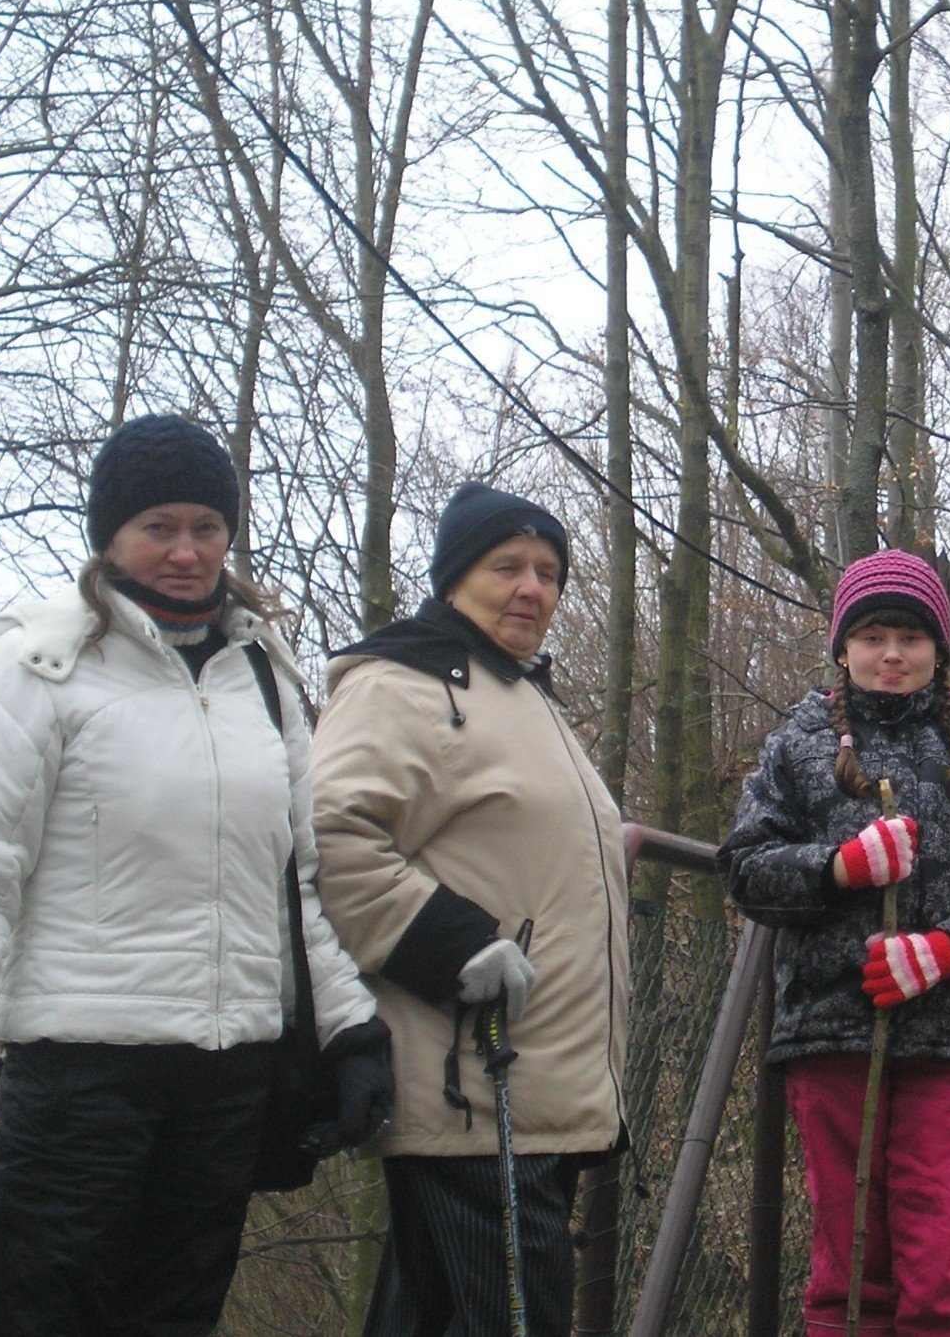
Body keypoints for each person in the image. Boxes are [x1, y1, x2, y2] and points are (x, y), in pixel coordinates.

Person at [0, 413, 391, 1337]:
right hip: (80, 1075)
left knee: (177, 1320)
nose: (185, 551)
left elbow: (296, 888)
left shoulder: (263, 680)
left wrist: (352, 1031)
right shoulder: (39, 667)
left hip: (224, 1080)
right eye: (158, 527)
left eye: (206, 526)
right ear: (111, 537)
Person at [718, 548, 950, 1336]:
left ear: (939, 649)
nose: (892, 654)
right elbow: (742, 870)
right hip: (830, 1032)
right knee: (850, 1276)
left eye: (910, 636)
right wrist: (835, 868)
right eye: (872, 635)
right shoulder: (797, 744)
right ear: (842, 648)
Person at [310, 481, 630, 1336]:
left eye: (550, 572)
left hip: (534, 1084)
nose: (534, 588)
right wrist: (451, 947)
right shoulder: (399, 683)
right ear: (454, 577)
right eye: (508, 567)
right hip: (477, 1084)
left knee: (436, 1313)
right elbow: (330, 836)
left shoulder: (520, 696)